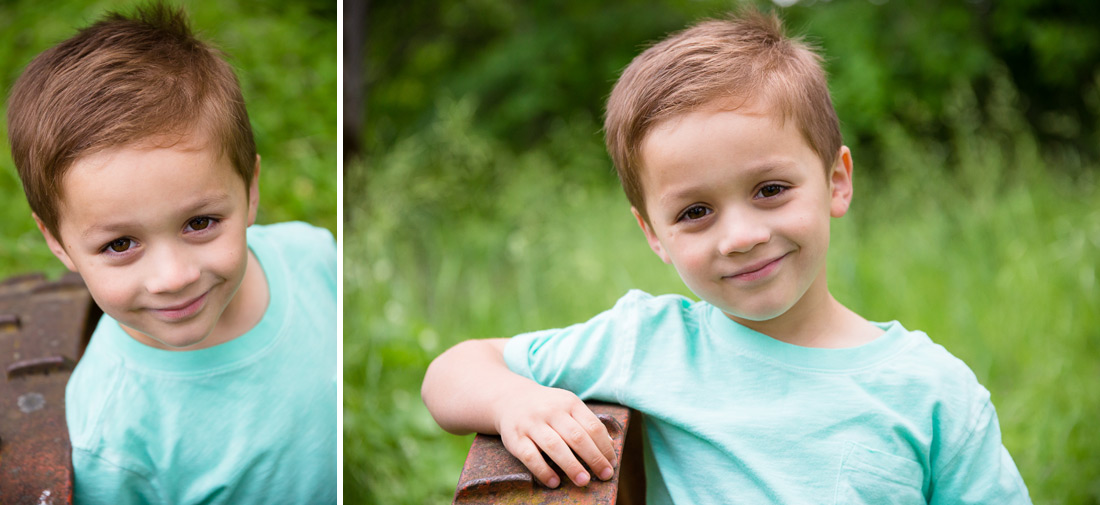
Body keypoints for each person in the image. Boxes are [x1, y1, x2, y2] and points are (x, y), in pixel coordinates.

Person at [421, 8, 1030, 504]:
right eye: (694, 212)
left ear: (837, 181)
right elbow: (452, 371)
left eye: (770, 190)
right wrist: (513, 401)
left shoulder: (932, 393)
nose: (739, 236)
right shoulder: (648, 343)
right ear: (653, 233)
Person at [5, 4, 336, 503]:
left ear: (249, 191)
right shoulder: (111, 433)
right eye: (120, 244)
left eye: (199, 223)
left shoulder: (312, 259)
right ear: (57, 242)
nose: (173, 276)